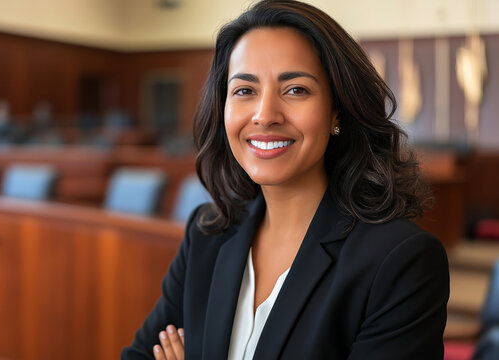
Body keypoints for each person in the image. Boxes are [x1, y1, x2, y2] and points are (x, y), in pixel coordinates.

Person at [122, 1, 450, 359]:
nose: (265, 116)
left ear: (336, 111)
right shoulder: (207, 233)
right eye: (245, 90)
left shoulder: (399, 261)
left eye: (295, 90)